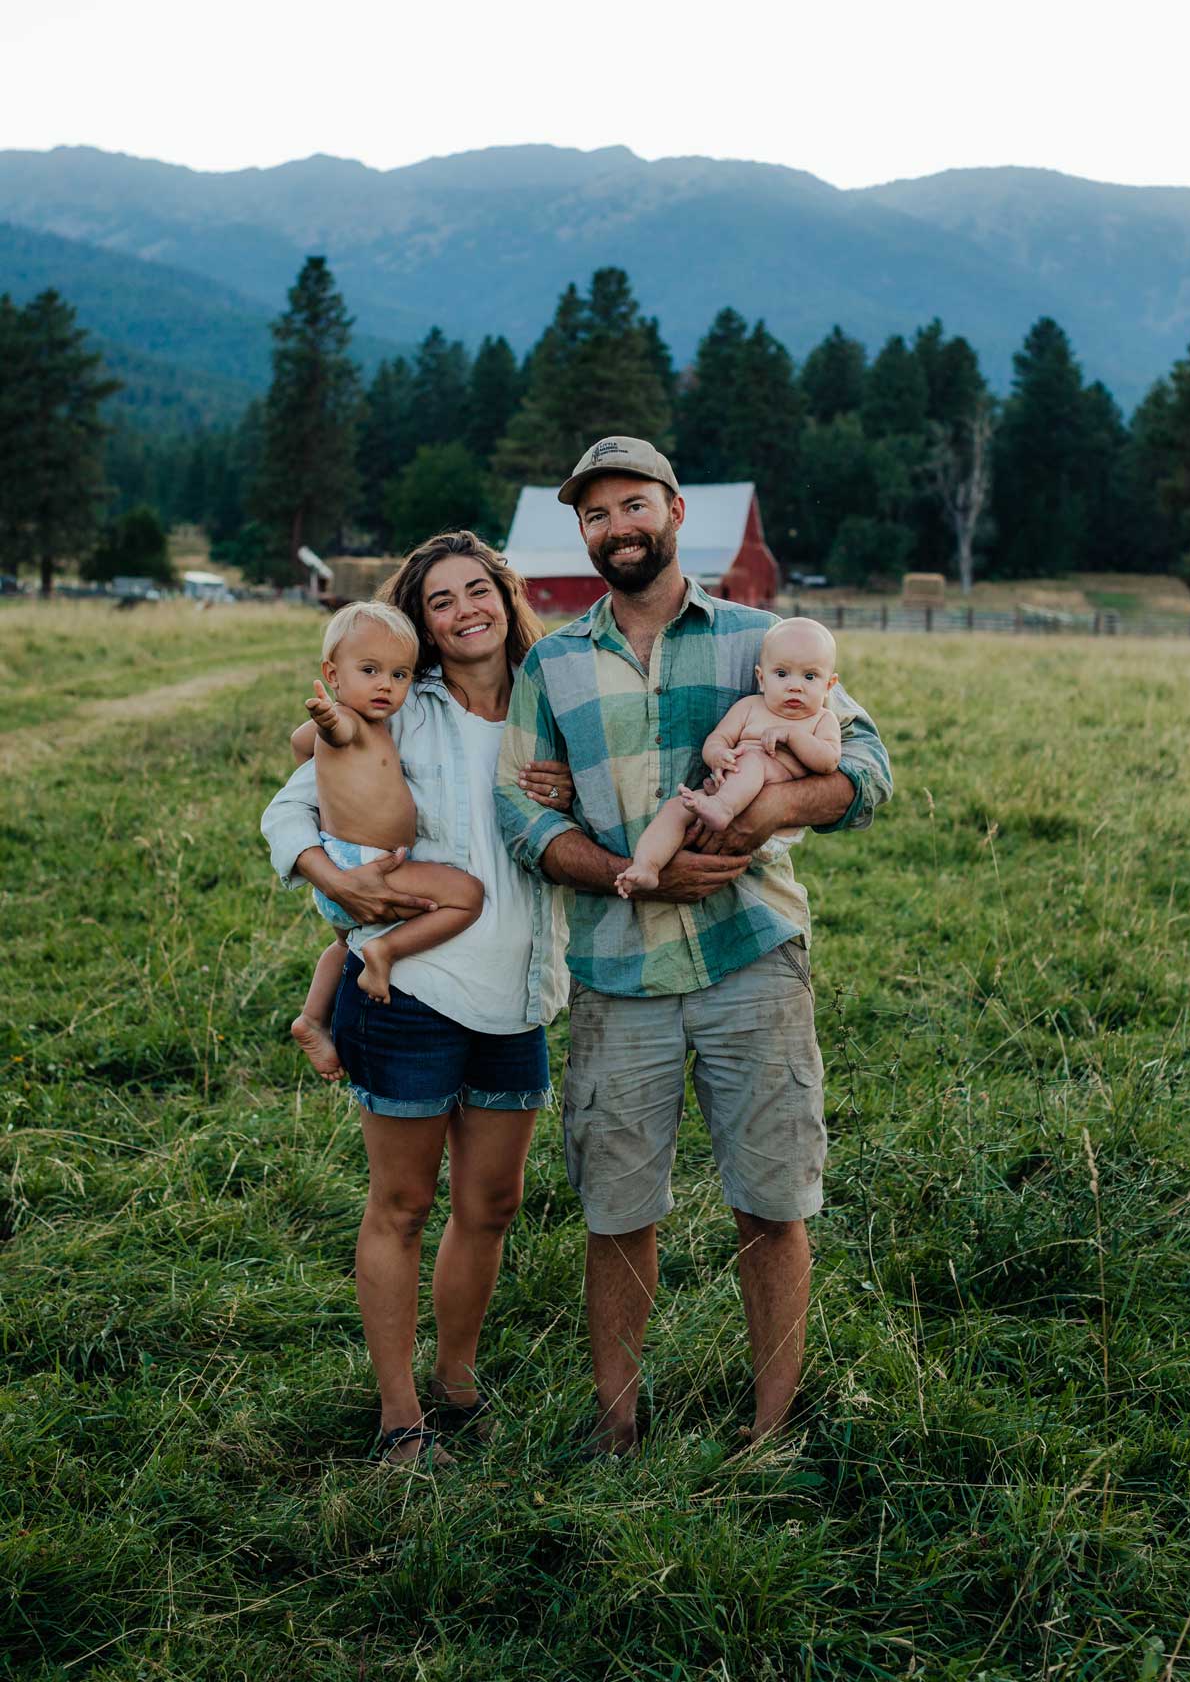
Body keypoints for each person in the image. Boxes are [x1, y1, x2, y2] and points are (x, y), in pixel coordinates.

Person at [496, 436, 893, 1452]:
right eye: (595, 515)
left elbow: (868, 770)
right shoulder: (553, 664)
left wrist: (771, 812)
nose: (617, 527)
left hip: (748, 955)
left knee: (770, 1197)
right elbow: (520, 816)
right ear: (581, 533)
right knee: (617, 1209)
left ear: (674, 512)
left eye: (634, 505)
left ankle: (772, 1427)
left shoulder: (767, 642)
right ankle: (616, 1422)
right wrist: (621, 866)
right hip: (616, 969)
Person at [261, 532, 574, 1466]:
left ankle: (458, 1385)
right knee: (401, 1204)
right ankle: (401, 1419)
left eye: (478, 590)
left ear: (504, 597)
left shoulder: (553, 710)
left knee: (492, 1204)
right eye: (441, 601)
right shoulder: (401, 711)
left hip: (520, 994)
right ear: (422, 623)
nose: (465, 609)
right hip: (413, 992)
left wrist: (575, 796)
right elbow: (290, 805)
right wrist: (334, 878)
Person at [288, 600, 485, 1082]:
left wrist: (315, 747)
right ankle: (385, 952)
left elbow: (299, 742)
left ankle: (312, 1018)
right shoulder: (351, 722)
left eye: (400, 675)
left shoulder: (371, 724)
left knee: (341, 945)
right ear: (333, 674)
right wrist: (329, 719)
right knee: (466, 897)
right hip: (368, 864)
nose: (386, 685)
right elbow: (336, 731)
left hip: (346, 865)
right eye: (370, 670)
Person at [615, 616, 843, 897]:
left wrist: (793, 736)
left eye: (810, 677)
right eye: (782, 674)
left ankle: (722, 807)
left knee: (755, 760)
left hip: (770, 827)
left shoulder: (822, 720)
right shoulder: (749, 707)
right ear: (761, 678)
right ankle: (647, 866)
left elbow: (829, 761)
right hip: (723, 797)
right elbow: (717, 739)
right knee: (677, 807)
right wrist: (718, 755)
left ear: (829, 685)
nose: (795, 686)